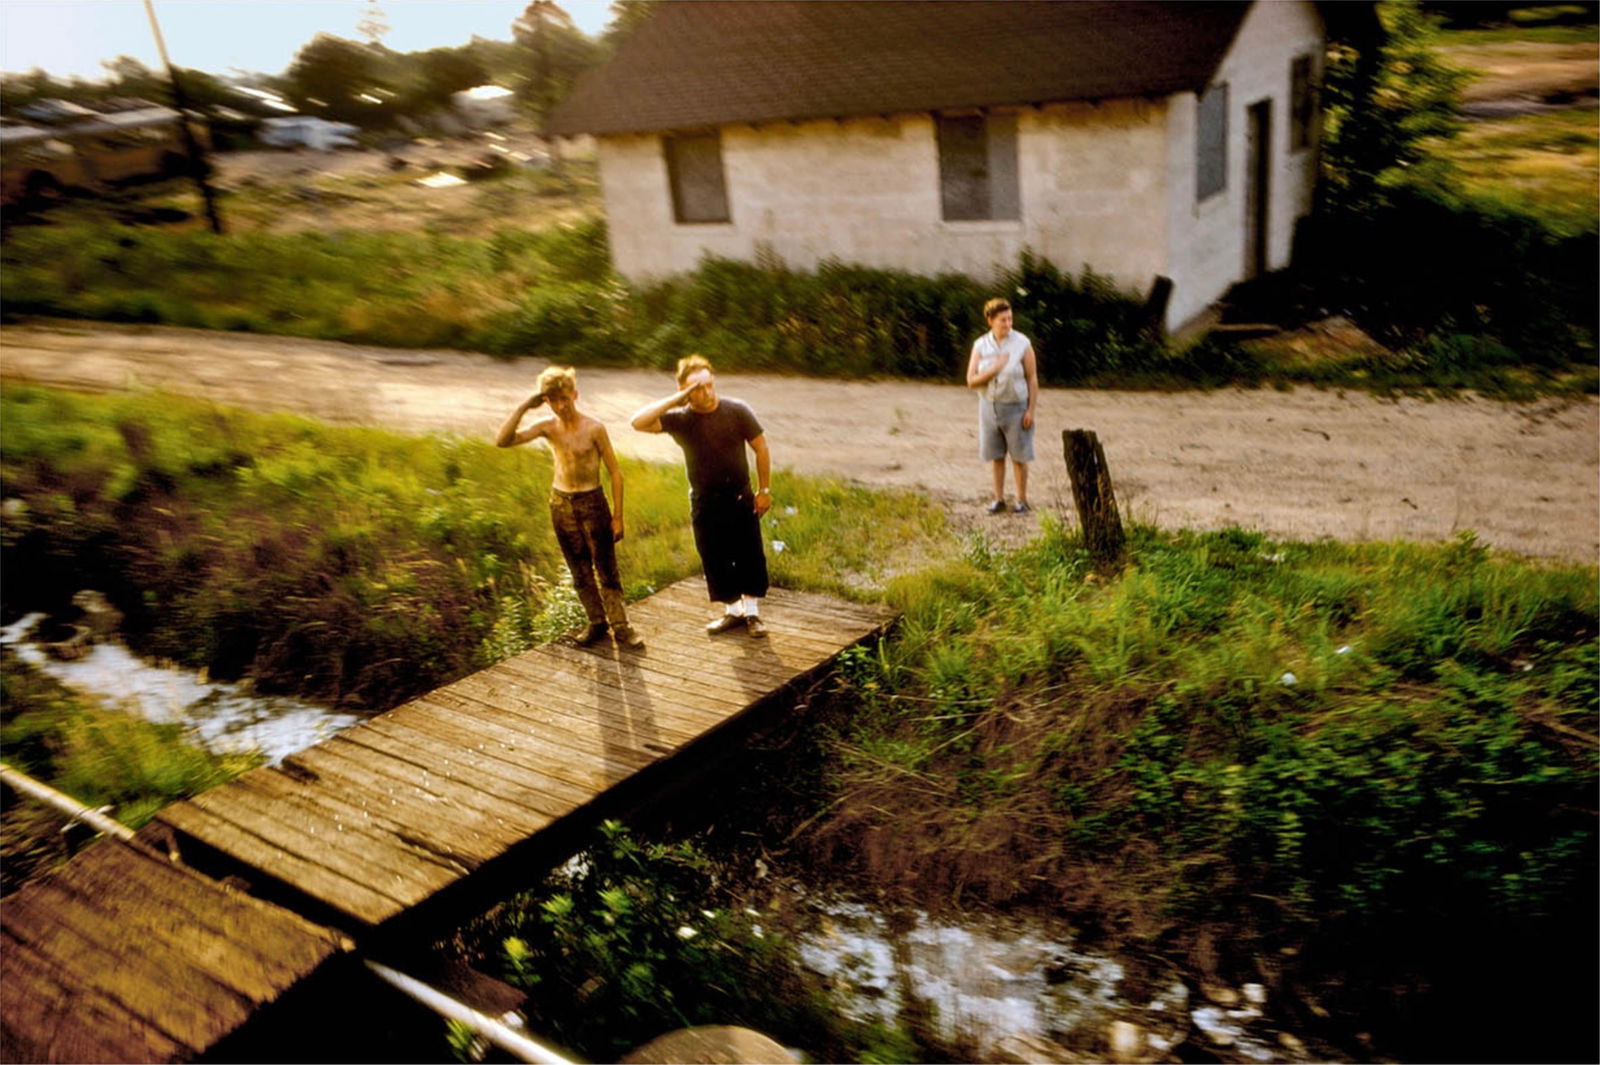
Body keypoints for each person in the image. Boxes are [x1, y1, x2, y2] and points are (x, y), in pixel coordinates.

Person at [496, 365, 644, 649]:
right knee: (579, 570)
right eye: (553, 400)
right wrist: (526, 406)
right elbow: (503, 441)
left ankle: (622, 627)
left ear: (575, 395)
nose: (560, 406)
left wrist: (618, 516)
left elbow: (615, 472)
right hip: (561, 503)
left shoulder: (594, 428)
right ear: (546, 401)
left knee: (606, 569)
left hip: (592, 502)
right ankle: (596, 623)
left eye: (565, 398)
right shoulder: (547, 428)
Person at [630, 355, 773, 638]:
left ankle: (753, 614)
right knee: (714, 555)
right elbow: (637, 422)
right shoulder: (682, 419)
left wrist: (764, 490)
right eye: (697, 388)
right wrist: (677, 399)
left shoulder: (737, 411)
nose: (706, 392)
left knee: (749, 553)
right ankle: (733, 612)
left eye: (709, 385)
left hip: (740, 497)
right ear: (685, 391)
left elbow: (761, 448)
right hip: (704, 501)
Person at [966, 297, 1039, 514]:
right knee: (996, 455)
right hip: (989, 406)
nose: (1007, 324)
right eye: (1002, 320)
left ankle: (1021, 500)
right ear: (990, 320)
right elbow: (971, 381)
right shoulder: (980, 345)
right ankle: (998, 499)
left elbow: (1032, 378)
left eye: (1010, 319)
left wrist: (1031, 410)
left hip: (1016, 406)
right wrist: (993, 369)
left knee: (1019, 455)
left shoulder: (1022, 343)